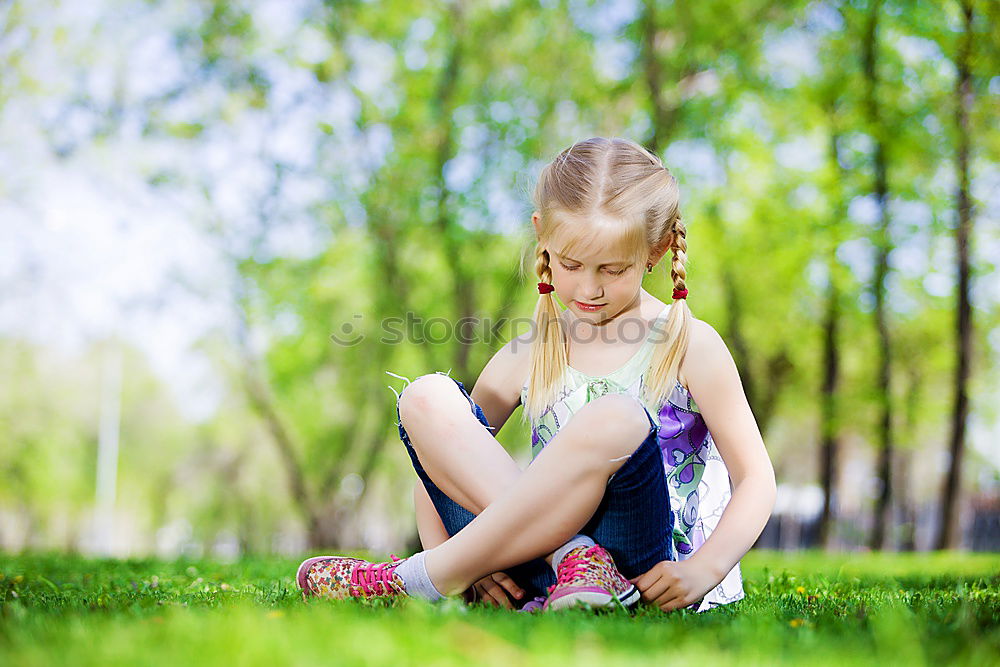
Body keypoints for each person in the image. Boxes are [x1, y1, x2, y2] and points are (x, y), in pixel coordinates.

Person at [296, 137, 775, 613]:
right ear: (542, 235)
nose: (589, 288)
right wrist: (475, 565)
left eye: (612, 269)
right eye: (571, 264)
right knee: (426, 398)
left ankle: (419, 578)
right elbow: (442, 463)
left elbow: (756, 478)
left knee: (615, 418)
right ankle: (559, 560)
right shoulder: (529, 351)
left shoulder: (688, 342)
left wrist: (704, 570)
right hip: (547, 566)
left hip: (648, 568)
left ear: (657, 249)